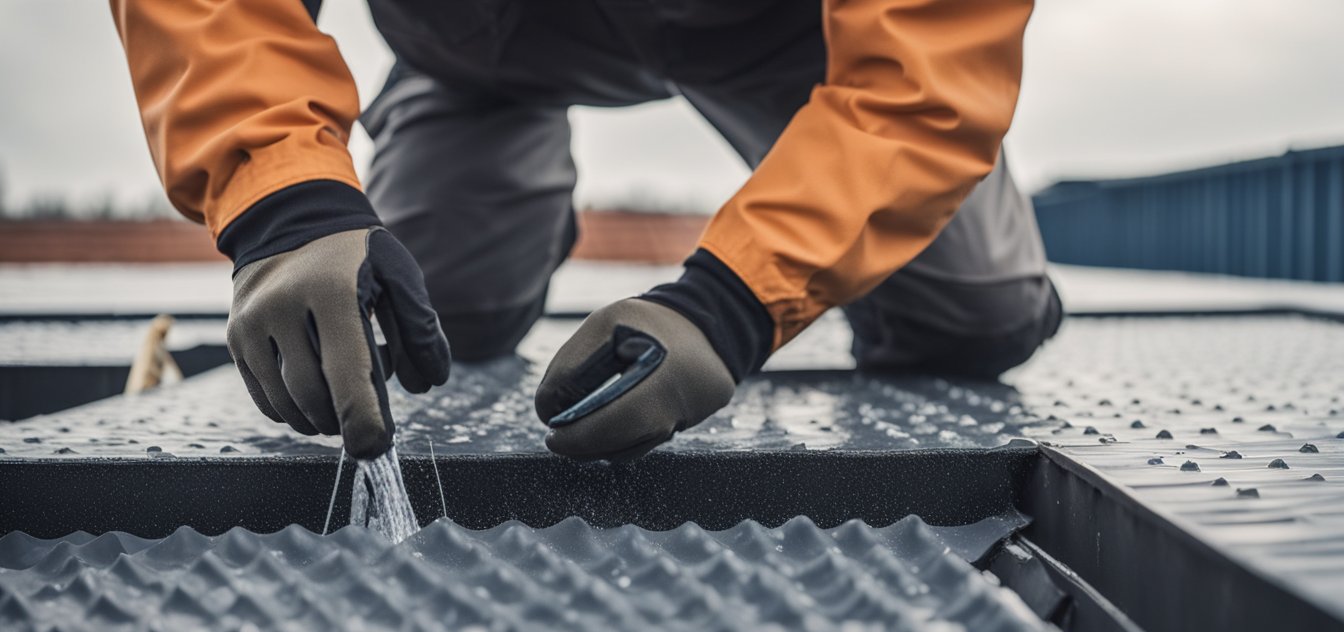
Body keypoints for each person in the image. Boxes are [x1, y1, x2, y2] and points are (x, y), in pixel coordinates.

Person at [110, 0, 1059, 462]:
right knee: (429, 313)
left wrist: (732, 301)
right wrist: (281, 196)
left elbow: (926, 70)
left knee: (971, 318)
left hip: (773, 31)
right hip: (480, 36)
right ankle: (477, 159)